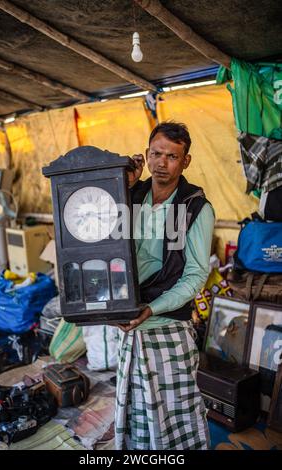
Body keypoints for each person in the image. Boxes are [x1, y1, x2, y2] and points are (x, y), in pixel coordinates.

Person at [114, 121, 215, 450]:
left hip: (168, 327)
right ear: (146, 155)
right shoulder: (134, 196)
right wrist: (123, 186)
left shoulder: (193, 207)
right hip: (131, 323)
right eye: (155, 154)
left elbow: (196, 277)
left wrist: (151, 308)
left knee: (175, 414)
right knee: (136, 411)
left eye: (172, 156)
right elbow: (103, 242)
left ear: (185, 161)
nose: (161, 163)